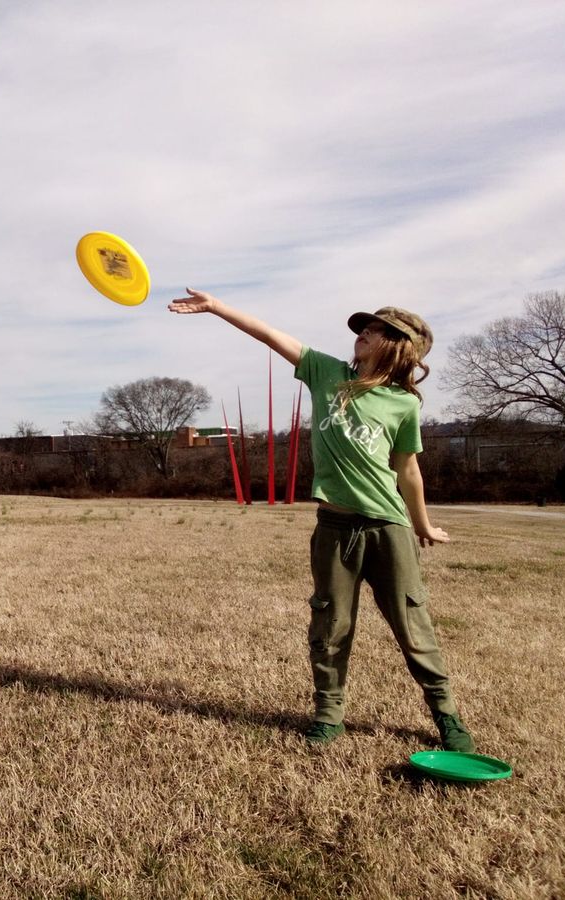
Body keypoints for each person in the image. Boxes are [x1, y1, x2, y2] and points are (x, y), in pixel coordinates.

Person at [168, 288, 475, 751]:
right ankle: (329, 714)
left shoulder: (403, 404)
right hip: (333, 529)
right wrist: (216, 308)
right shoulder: (326, 373)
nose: (362, 333)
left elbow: (407, 469)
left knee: (413, 627)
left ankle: (446, 715)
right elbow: (270, 335)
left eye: (374, 330)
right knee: (330, 625)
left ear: (398, 346)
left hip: (386, 529)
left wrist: (422, 524)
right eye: (364, 328)